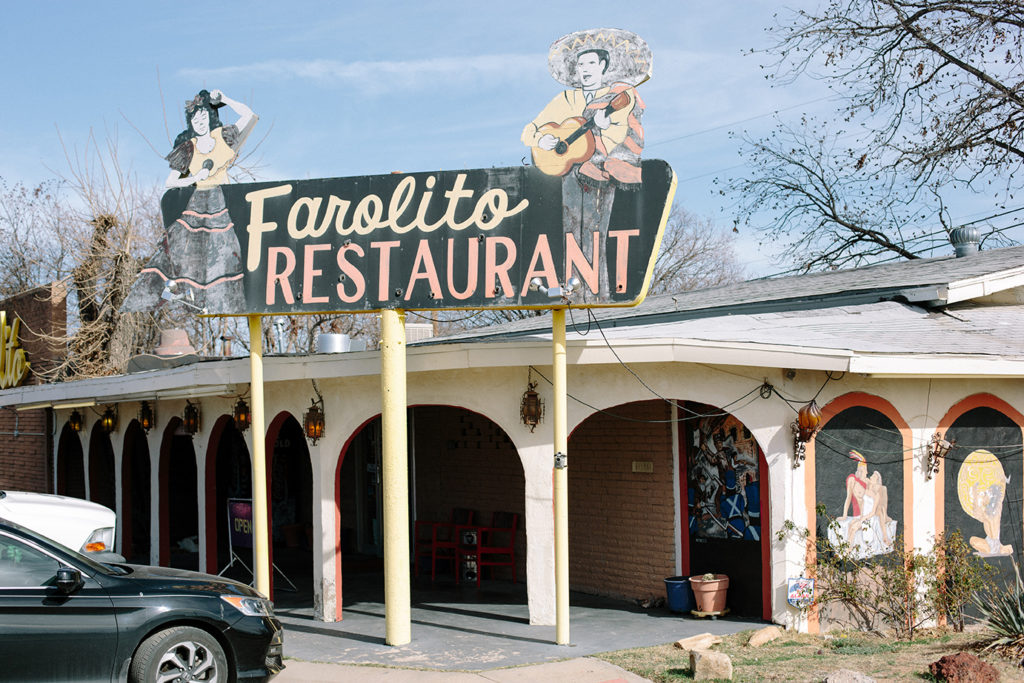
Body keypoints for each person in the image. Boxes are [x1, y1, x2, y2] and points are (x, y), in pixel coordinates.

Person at [522, 30, 648, 301]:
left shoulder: (617, 97)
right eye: (580, 65)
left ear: (603, 66)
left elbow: (621, 134)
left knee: (596, 232)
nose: (585, 70)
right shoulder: (565, 100)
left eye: (591, 63)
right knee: (570, 229)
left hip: (599, 176)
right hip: (566, 178)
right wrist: (541, 139)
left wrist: (603, 130)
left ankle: (595, 287)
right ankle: (573, 284)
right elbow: (528, 131)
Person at [123, 89, 257, 315]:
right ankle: (187, 298)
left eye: (204, 117)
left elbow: (249, 116)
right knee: (189, 255)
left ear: (210, 118)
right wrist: (195, 178)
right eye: (196, 118)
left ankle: (222, 301)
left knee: (228, 252)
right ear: (191, 122)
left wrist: (224, 99)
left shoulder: (222, 137)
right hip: (199, 204)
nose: (200, 122)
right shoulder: (189, 147)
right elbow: (170, 181)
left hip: (225, 203)